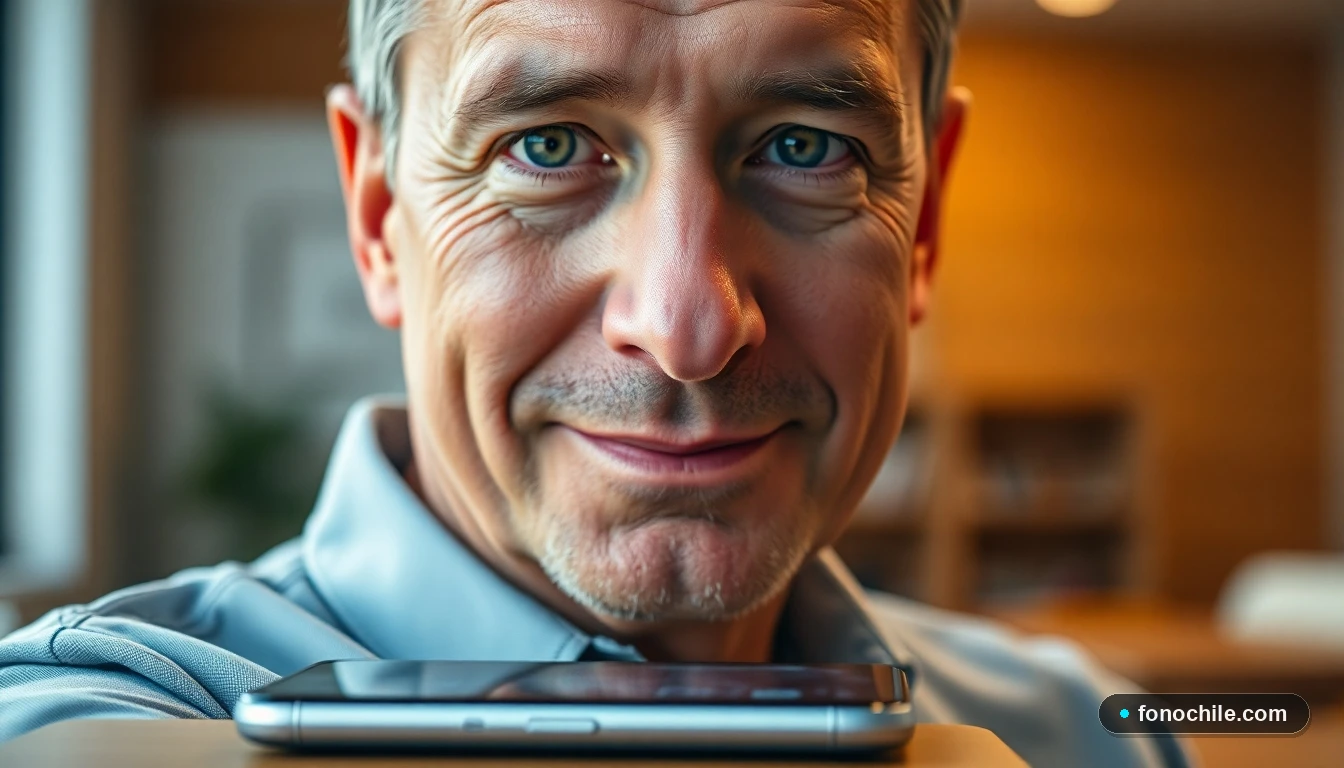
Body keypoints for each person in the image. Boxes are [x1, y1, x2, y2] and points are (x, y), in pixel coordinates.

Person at [0, 1, 1187, 764]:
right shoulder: (89, 719)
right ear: (377, 218)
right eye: (548, 146)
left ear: (923, 223)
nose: (686, 328)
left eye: (805, 147)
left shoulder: (1088, 735)